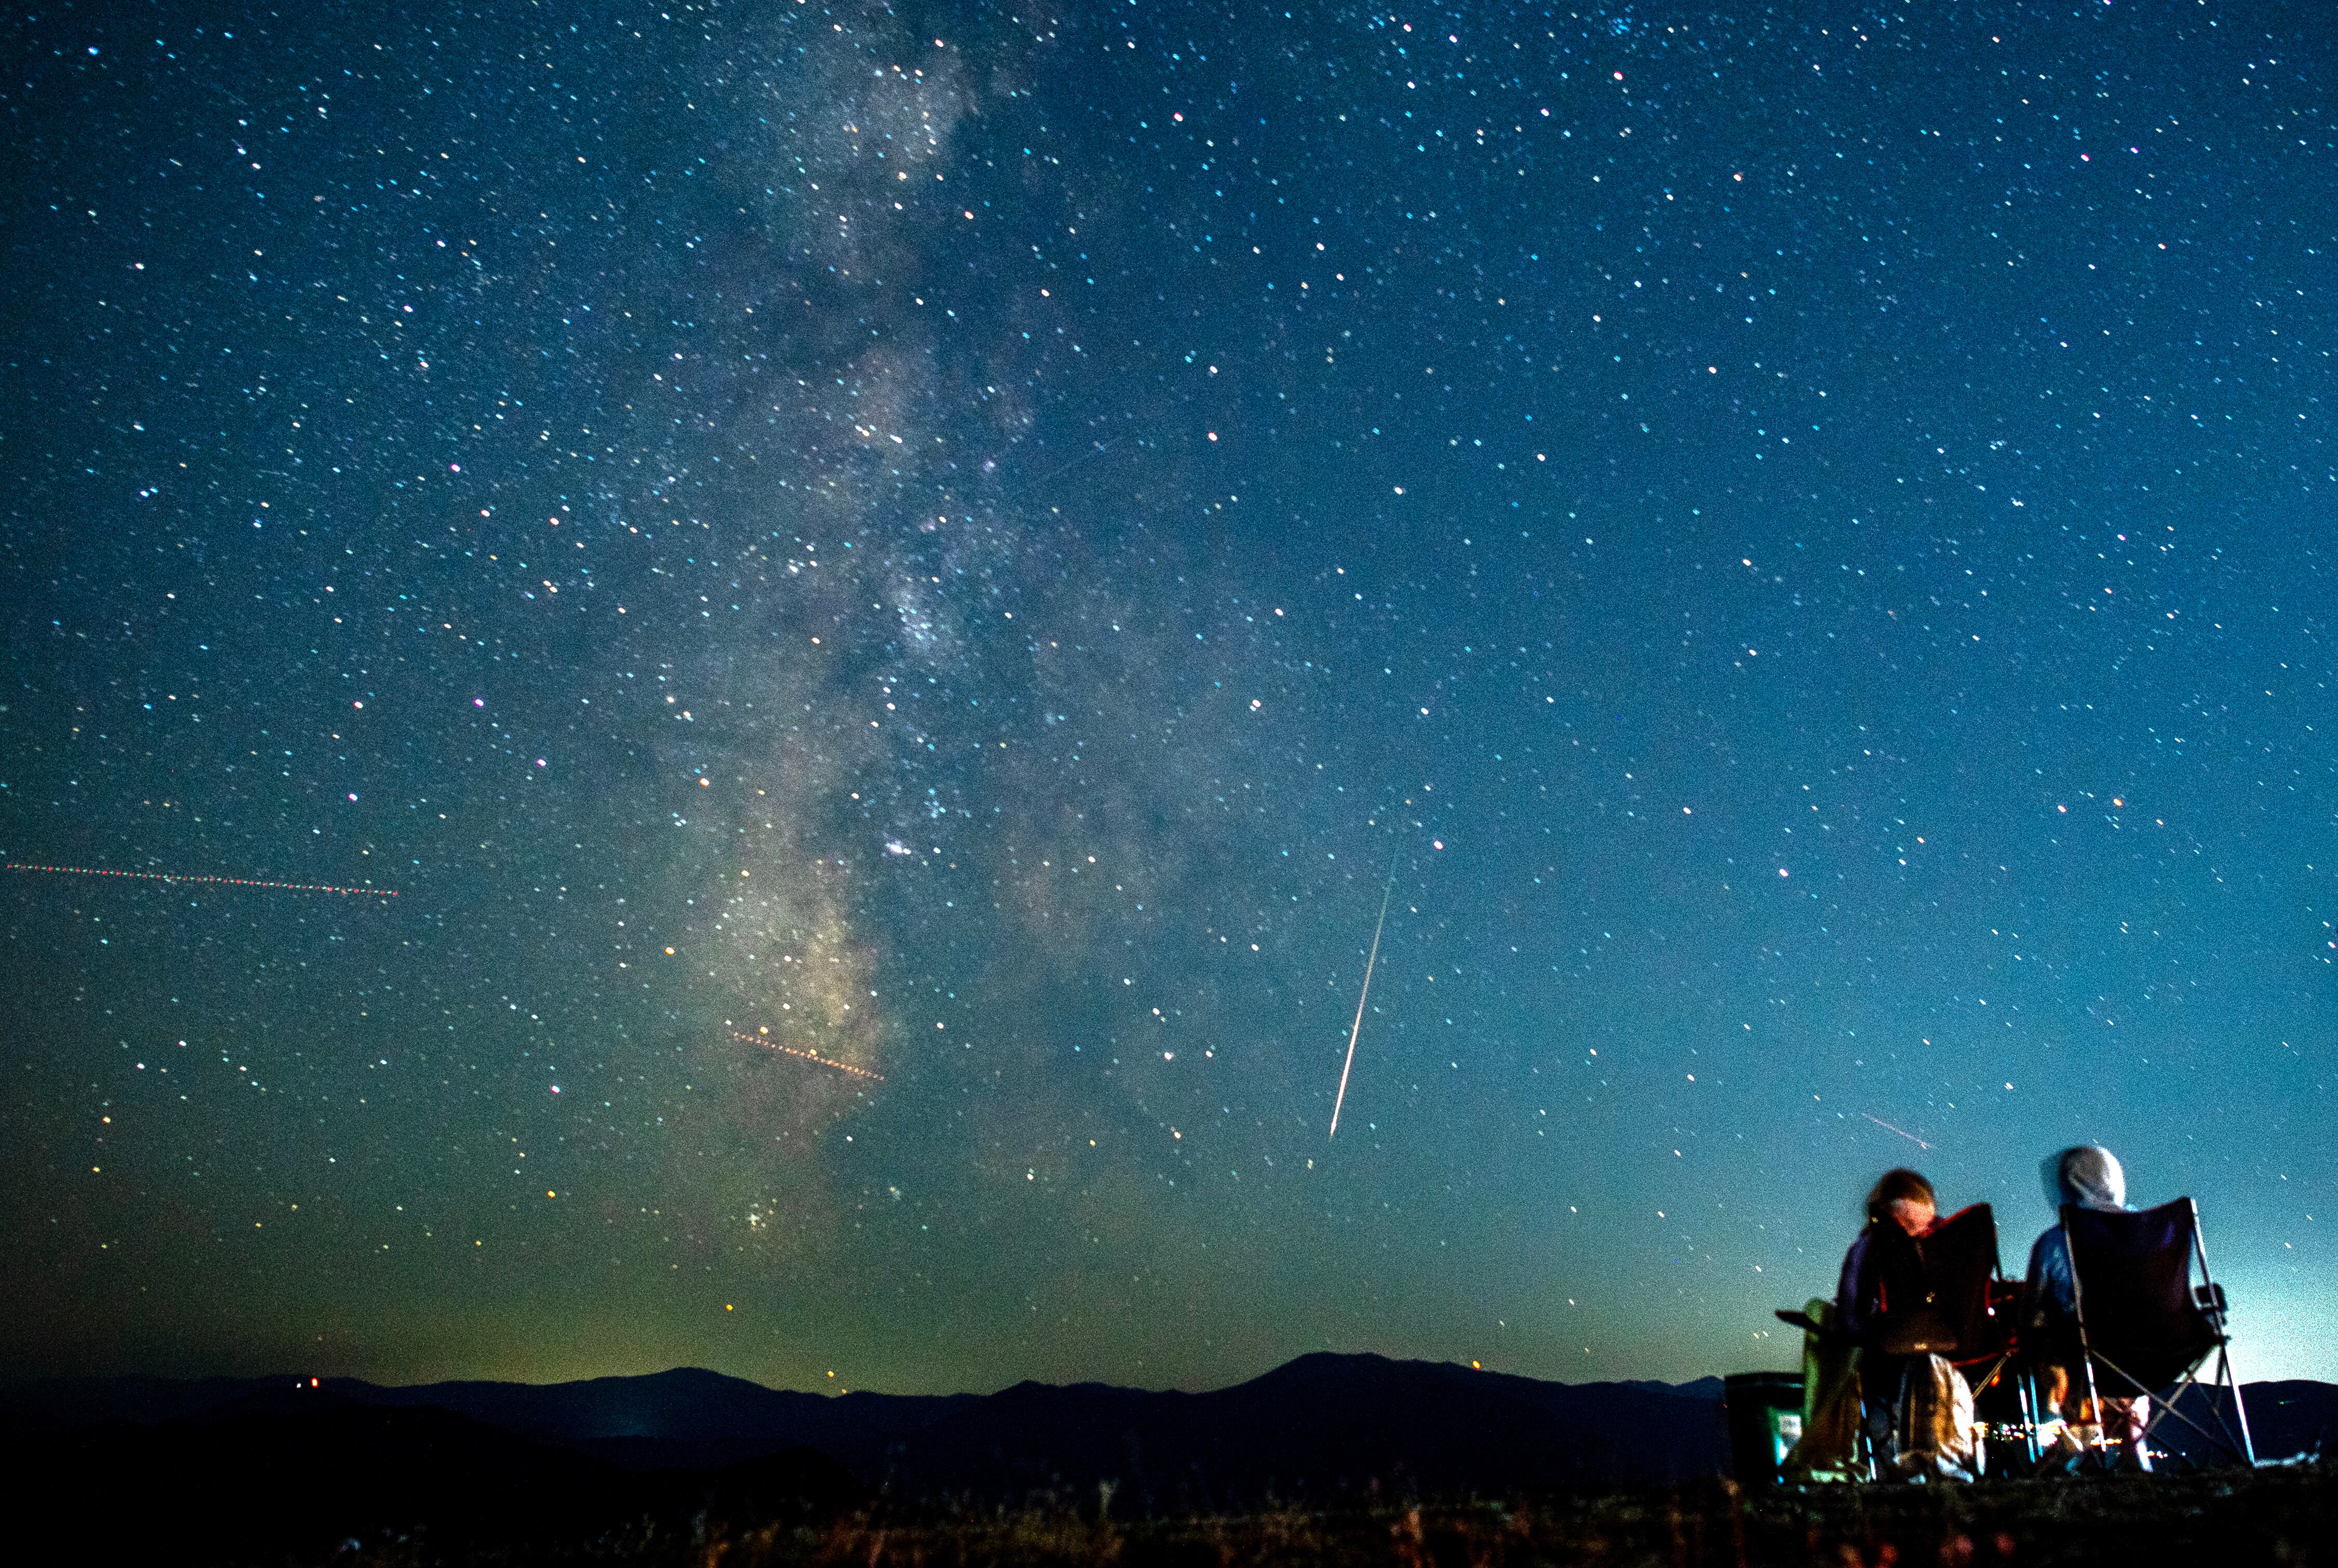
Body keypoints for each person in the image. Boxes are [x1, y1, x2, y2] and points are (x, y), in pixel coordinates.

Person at [2025, 1145, 2149, 1468]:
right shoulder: (2150, 1231)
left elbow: (2032, 1308)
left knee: (2050, 1336)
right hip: (2152, 1348)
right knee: (2114, 1348)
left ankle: (2070, 1440)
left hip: (2084, 1352)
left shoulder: (2056, 1242)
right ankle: (2133, 1441)